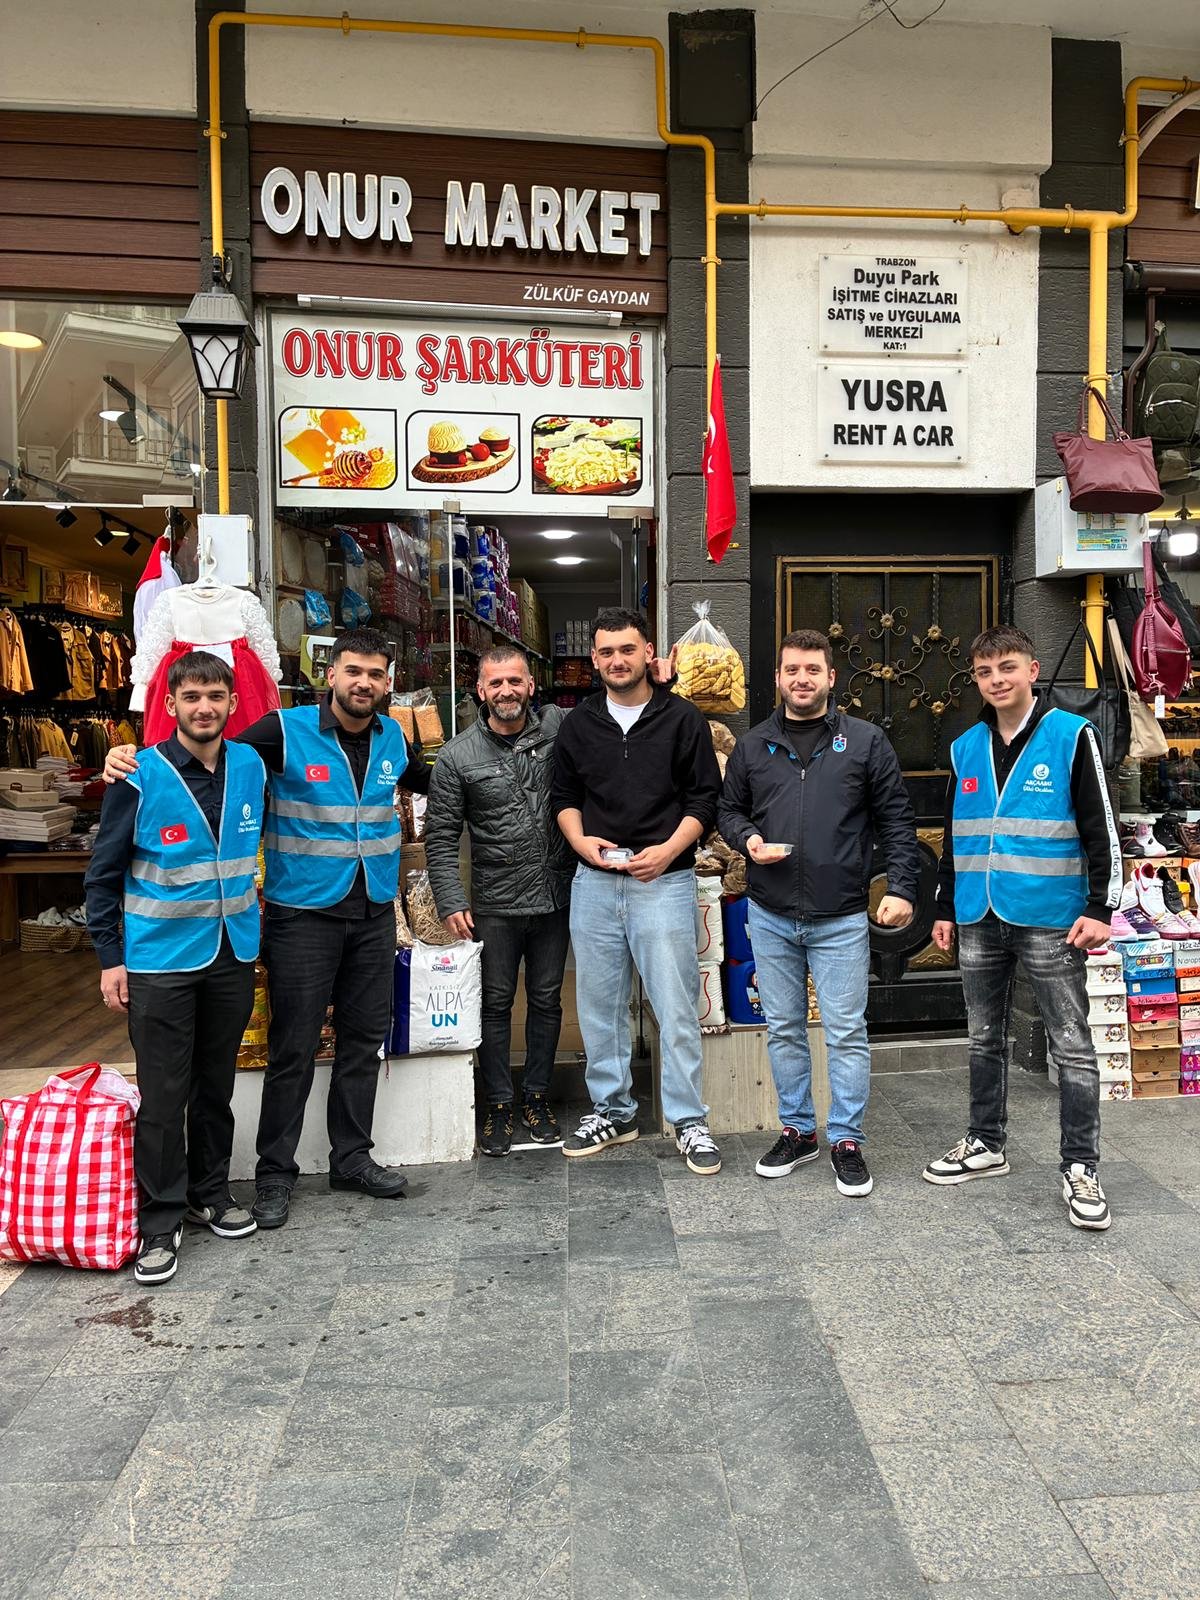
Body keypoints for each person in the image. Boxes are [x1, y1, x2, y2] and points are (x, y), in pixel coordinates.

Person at [104, 627, 427, 1230]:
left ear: (389, 683)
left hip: (373, 911)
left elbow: (427, 785)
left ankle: (351, 1158)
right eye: (353, 671)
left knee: (362, 1043)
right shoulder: (283, 731)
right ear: (330, 674)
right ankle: (275, 1174)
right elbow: (206, 754)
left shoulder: (393, 735)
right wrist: (130, 758)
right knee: (293, 1048)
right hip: (301, 917)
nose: (364, 683)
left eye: (376, 674)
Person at [924, 624, 1119, 1231]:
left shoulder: (1071, 734)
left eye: (1007, 667)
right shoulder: (964, 748)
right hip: (979, 915)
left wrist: (1101, 908)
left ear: (1033, 670)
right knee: (983, 1037)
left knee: (1072, 1045)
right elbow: (955, 837)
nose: (997, 680)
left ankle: (1081, 1166)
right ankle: (986, 1142)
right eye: (985, 672)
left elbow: (1100, 827)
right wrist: (945, 906)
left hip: (1053, 920)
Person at [85, 652, 268, 1285]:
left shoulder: (250, 765)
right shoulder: (138, 774)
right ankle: (159, 1221)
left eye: (216, 695)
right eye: (191, 696)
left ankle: (210, 1193)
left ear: (231, 702)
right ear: (170, 705)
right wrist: (110, 959)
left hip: (232, 952)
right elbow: (103, 875)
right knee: (163, 1096)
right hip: (159, 960)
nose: (205, 707)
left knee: (215, 1086)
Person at [719, 628, 920, 1198]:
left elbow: (898, 822)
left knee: (846, 1032)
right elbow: (728, 810)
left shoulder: (865, 742)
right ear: (777, 678)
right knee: (782, 1029)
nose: (801, 679)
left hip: (841, 916)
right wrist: (747, 839)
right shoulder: (754, 746)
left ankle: (847, 1139)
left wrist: (901, 886)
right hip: (771, 913)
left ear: (832, 677)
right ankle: (800, 1131)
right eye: (791, 670)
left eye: (812, 669)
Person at [552, 607, 723, 1174]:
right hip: (595, 884)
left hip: (664, 882)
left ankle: (689, 1118)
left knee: (674, 1006)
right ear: (594, 658)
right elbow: (564, 797)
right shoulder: (578, 725)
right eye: (605, 652)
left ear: (648, 653)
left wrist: (670, 851)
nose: (616, 661)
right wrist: (580, 844)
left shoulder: (683, 721)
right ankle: (614, 1110)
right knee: (599, 1006)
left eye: (627, 649)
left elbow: (705, 801)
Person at [425, 646, 575, 1156]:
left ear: (532, 685)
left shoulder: (560, 730)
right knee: (493, 1003)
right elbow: (441, 837)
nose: (506, 691)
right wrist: (449, 898)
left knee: (547, 999)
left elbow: (618, 710)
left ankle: (536, 1096)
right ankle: (499, 1104)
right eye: (496, 683)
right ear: (481, 691)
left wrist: (661, 683)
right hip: (495, 903)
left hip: (555, 894)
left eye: (515, 681)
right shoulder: (456, 756)